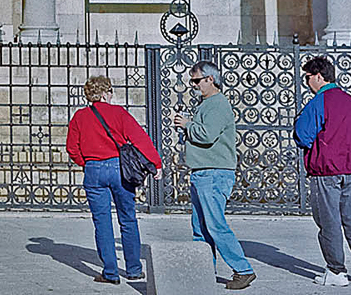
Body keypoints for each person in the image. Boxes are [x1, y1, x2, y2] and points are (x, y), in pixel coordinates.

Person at [66, 74, 162, 285]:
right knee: (127, 219)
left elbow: (72, 148)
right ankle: (134, 269)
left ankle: (110, 272)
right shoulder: (118, 113)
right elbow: (139, 138)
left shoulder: (79, 117)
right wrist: (155, 163)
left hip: (93, 168)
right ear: (104, 93)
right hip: (119, 168)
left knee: (102, 222)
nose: (111, 95)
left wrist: (87, 163)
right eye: (110, 92)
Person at [173, 60, 257, 290]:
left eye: (197, 80)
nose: (194, 85)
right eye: (192, 81)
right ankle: (204, 271)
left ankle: (243, 269)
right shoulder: (206, 104)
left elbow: (208, 135)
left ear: (211, 79)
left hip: (213, 172)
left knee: (215, 224)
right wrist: (187, 128)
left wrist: (187, 125)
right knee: (200, 227)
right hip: (202, 172)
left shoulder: (218, 104)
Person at [293, 55, 351, 286]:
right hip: (350, 168)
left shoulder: (319, 101)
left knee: (328, 221)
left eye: (307, 77)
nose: (307, 82)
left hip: (325, 170)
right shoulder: (349, 100)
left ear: (318, 76)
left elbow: (303, 135)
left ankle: (336, 271)